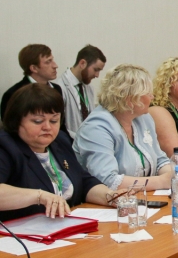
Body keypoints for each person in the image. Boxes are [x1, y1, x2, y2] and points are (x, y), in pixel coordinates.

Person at [0, 84, 112, 221]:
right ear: (16, 120)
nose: (47, 127)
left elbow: (83, 181)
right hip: (20, 231)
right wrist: (40, 196)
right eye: (38, 121)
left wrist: (110, 196)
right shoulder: (5, 146)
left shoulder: (60, 141)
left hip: (65, 226)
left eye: (54, 120)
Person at [74, 64, 178, 191]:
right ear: (130, 98)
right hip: (106, 201)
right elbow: (107, 181)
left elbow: (160, 160)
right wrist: (161, 181)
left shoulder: (144, 118)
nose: (152, 97)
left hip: (140, 197)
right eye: (148, 93)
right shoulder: (96, 128)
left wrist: (175, 173)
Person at [1, 45, 65, 124]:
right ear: (34, 68)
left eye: (52, 60)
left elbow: (61, 123)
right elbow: (10, 127)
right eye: (48, 62)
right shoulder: (13, 94)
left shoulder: (56, 88)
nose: (55, 66)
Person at [53, 45, 107, 139]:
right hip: (70, 142)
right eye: (96, 70)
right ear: (82, 63)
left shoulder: (89, 87)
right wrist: (81, 138)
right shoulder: (60, 87)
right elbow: (59, 126)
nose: (97, 75)